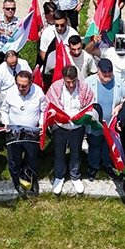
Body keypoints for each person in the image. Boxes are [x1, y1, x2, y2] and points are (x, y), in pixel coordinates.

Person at [47, 65, 95, 195]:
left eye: (74, 81)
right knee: (59, 152)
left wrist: (83, 116)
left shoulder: (84, 87)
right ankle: (59, 176)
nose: (72, 84)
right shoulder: (56, 87)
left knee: (76, 152)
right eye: (68, 82)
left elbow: (90, 104)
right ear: (63, 79)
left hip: (77, 126)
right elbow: (49, 104)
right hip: (60, 126)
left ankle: (75, 176)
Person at [1, 70, 47, 196]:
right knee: (14, 159)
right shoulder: (10, 92)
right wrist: (5, 122)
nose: (21, 88)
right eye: (19, 85)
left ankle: (32, 179)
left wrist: (42, 124)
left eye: (24, 86)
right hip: (14, 132)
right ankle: (16, 181)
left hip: (31, 132)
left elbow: (44, 110)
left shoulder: (38, 93)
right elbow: (4, 110)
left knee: (32, 158)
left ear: (31, 83)